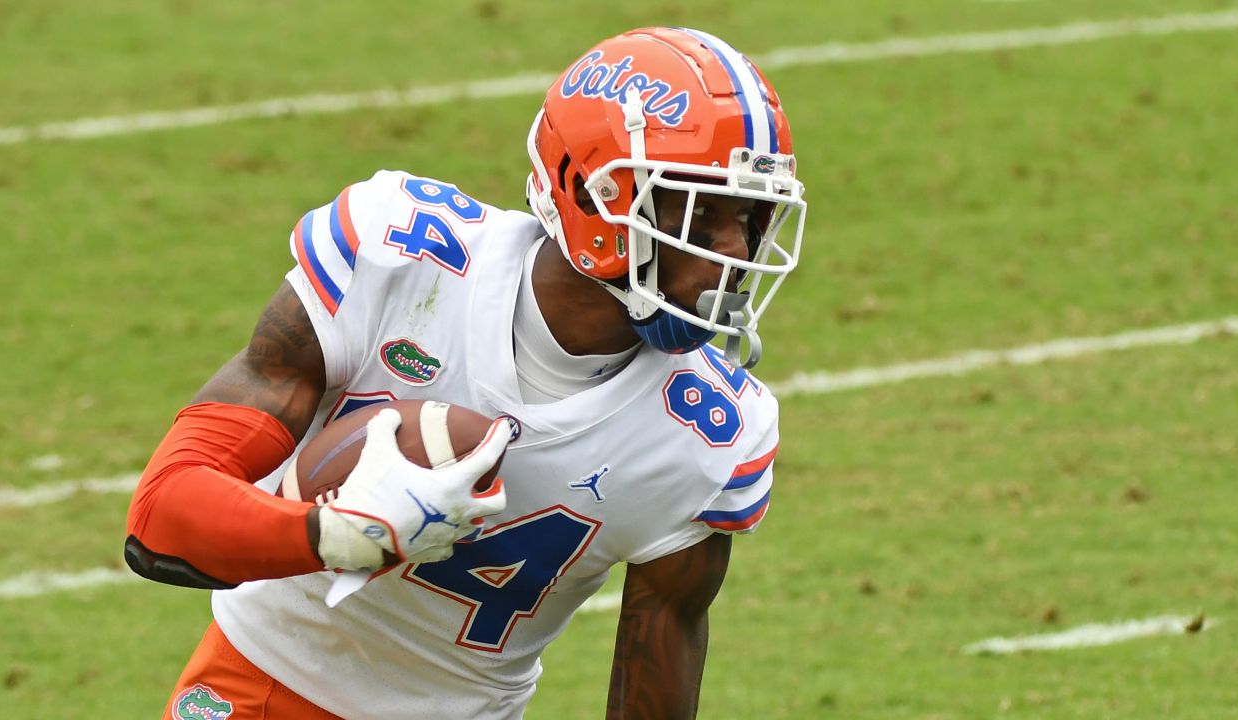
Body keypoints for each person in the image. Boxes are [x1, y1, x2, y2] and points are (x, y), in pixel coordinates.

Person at [125, 26, 806, 720]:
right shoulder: (399, 254)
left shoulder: (712, 432)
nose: (735, 251)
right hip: (265, 686)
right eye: (703, 213)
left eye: (752, 218)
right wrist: (337, 535)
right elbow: (161, 517)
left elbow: (658, 664)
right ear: (597, 200)